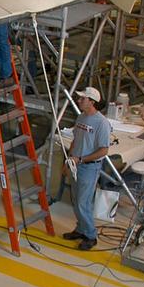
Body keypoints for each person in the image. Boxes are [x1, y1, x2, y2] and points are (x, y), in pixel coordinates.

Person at [62, 87, 112, 251]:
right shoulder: (81, 117)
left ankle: (91, 236)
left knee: (83, 202)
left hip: (89, 168)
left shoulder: (102, 123)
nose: (79, 101)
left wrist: (81, 159)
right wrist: (68, 161)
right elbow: (76, 140)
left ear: (92, 102)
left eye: (82, 99)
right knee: (76, 200)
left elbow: (103, 150)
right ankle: (81, 229)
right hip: (76, 164)